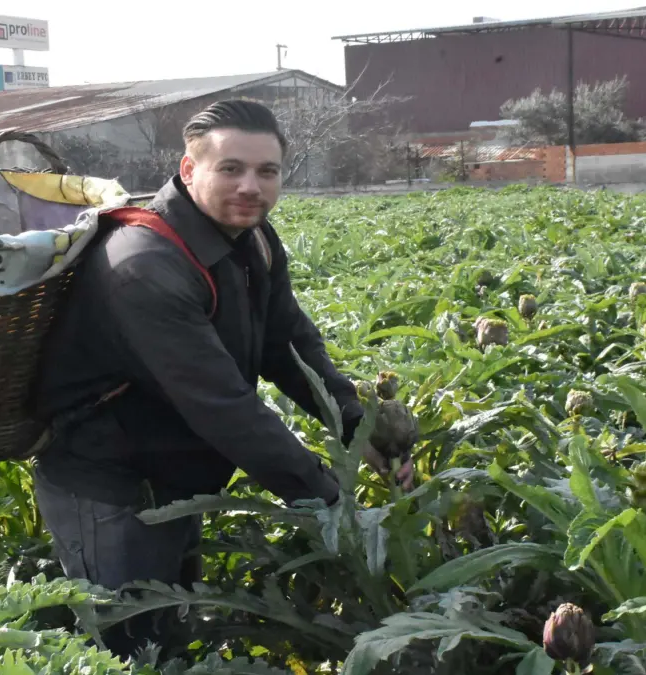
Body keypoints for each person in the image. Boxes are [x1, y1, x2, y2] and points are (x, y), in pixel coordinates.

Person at [32, 99, 413, 659]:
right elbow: (223, 407)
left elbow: (290, 347)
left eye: (267, 171)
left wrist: (362, 428)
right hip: (111, 487)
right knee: (129, 647)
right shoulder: (144, 264)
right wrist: (333, 501)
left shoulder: (252, 238)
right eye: (230, 168)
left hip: (179, 475)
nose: (251, 186)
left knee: (170, 624)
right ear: (189, 171)